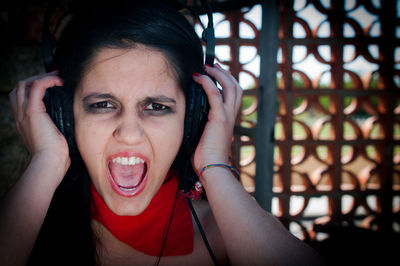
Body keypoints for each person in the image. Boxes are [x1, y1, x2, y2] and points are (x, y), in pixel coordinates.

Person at [0, 1, 325, 265]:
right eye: (101, 104)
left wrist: (214, 164)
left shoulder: (226, 232)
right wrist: (46, 162)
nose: (128, 134)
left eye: (156, 106)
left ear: (196, 115)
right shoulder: (28, 222)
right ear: (65, 116)